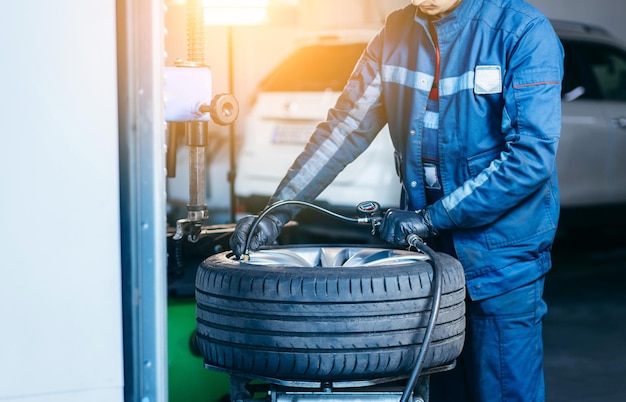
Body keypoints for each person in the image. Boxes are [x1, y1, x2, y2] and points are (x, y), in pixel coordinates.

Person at [230, 0, 563, 400]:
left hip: (502, 260)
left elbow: (529, 157)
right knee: (436, 391)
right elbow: (345, 128)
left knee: (504, 391)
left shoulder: (521, 32)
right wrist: (276, 212)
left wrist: (432, 218)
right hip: (429, 259)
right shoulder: (395, 35)